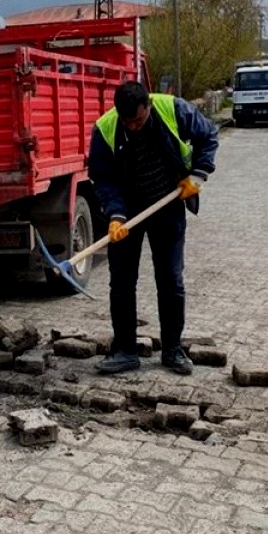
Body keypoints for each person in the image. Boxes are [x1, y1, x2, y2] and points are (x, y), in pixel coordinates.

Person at [87, 81, 219, 375]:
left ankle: (172, 350)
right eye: (127, 121)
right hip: (127, 211)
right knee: (121, 283)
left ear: (147, 106)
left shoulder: (173, 109)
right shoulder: (106, 128)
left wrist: (198, 173)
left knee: (170, 280)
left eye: (139, 120)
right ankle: (125, 351)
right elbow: (101, 177)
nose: (133, 127)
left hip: (167, 205)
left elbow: (209, 134)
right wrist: (116, 214)